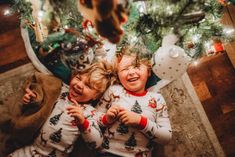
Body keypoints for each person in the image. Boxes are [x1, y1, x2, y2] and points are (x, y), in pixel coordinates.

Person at [8, 61, 116, 157]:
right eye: (78, 78)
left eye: (88, 85)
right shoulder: (60, 92)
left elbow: (96, 143)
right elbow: (41, 105)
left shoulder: (89, 112)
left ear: (96, 96)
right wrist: (32, 99)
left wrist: (83, 123)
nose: (79, 85)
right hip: (31, 149)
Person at [96, 46, 172, 157]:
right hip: (107, 153)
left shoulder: (157, 99)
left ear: (148, 71)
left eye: (136, 66)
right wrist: (106, 118)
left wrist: (141, 122)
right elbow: (93, 119)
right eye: (125, 69)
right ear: (118, 75)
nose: (131, 72)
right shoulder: (113, 90)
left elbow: (166, 138)